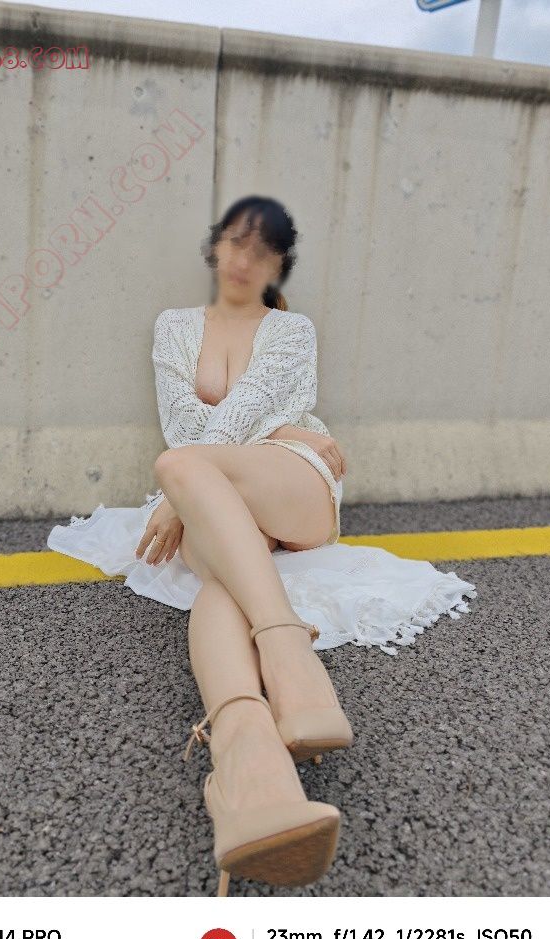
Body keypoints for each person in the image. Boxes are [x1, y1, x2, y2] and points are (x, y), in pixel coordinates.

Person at [46, 195, 478, 897]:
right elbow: (182, 423)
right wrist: (250, 446)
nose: (244, 260)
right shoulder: (174, 327)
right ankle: (249, 772)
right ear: (214, 246)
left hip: (289, 477)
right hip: (221, 488)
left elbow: (228, 424)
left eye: (262, 250)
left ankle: (282, 654)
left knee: (179, 469)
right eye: (235, 242)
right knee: (217, 567)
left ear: (279, 264)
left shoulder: (291, 331)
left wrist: (244, 460)